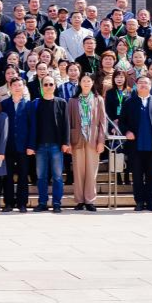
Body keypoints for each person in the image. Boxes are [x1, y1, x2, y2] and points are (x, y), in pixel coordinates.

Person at [120, 76, 152, 211]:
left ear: (150, 85)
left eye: (146, 83)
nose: (143, 85)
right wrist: (127, 132)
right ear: (136, 85)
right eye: (140, 82)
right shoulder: (129, 102)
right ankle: (139, 202)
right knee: (137, 176)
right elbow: (122, 121)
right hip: (135, 146)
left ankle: (151, 202)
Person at [25, 75, 69, 213]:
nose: (48, 87)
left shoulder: (62, 102)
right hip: (40, 146)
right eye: (46, 84)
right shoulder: (35, 104)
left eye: (51, 84)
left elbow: (66, 124)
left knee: (57, 177)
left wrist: (65, 142)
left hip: (56, 145)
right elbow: (31, 125)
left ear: (55, 86)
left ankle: (56, 203)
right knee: (41, 177)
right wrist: (31, 145)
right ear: (41, 87)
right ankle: (42, 202)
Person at [67, 73, 107, 212]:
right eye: (83, 81)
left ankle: (90, 200)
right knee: (78, 172)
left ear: (92, 83)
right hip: (77, 139)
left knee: (91, 171)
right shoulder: (73, 101)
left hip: (93, 139)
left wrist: (101, 141)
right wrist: (68, 142)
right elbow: (68, 122)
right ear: (80, 83)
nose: (86, 83)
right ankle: (79, 200)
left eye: (88, 81)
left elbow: (103, 122)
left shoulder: (98, 99)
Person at [2, 77, 32, 213]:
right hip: (7, 146)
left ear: (24, 87)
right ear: (10, 87)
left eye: (20, 85)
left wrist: (31, 145)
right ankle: (8, 203)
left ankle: (22, 203)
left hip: (23, 146)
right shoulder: (4, 104)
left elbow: (33, 126)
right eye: (14, 85)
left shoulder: (28, 105)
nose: (17, 87)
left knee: (23, 175)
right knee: (7, 176)